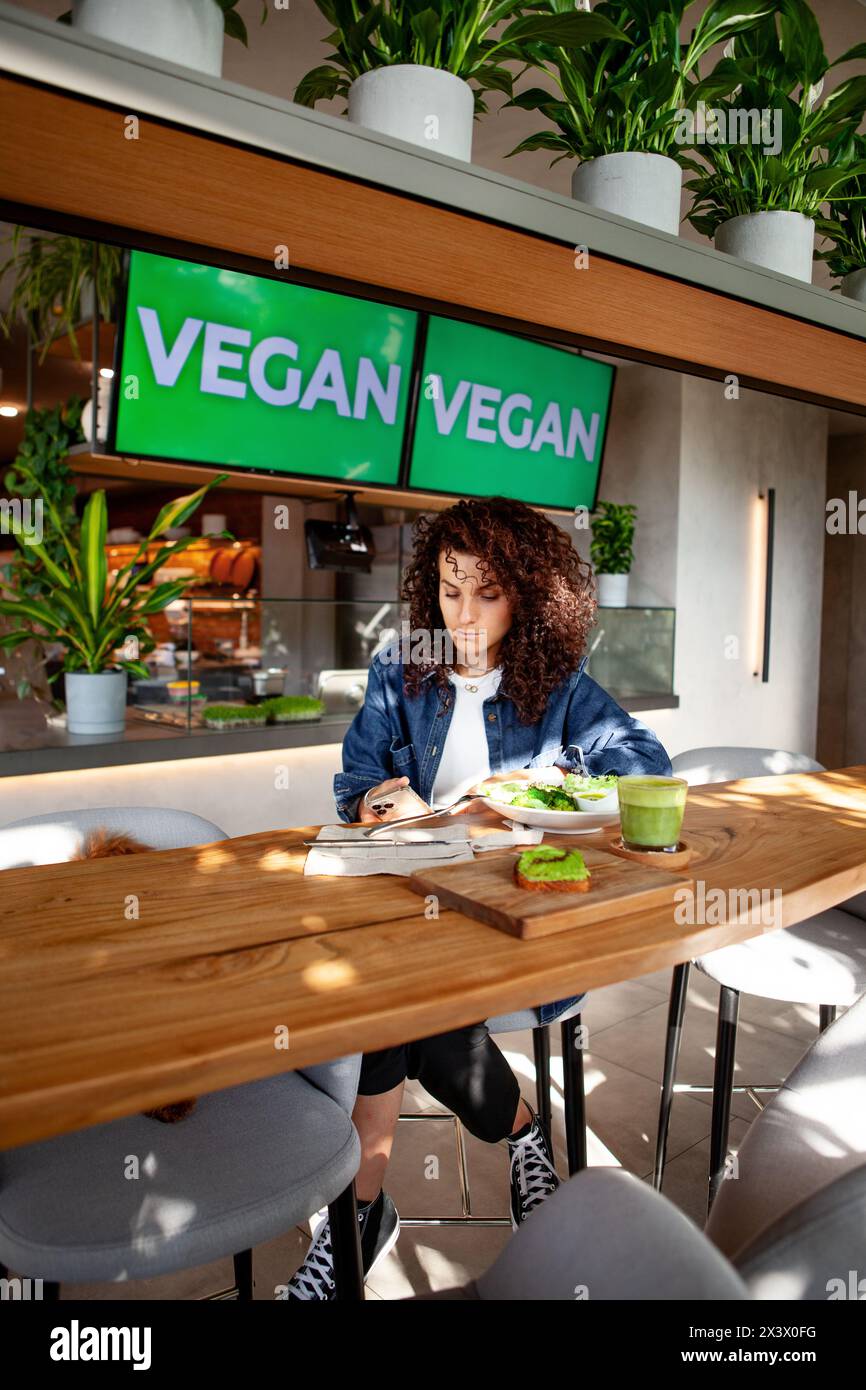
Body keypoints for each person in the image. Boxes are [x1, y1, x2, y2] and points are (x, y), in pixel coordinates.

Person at [286, 496, 672, 1299]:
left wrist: (543, 785)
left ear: (526, 594)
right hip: (414, 898)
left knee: (391, 1002)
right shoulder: (403, 668)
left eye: (486, 591)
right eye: (450, 587)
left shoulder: (558, 684)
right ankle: (521, 1133)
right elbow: (355, 781)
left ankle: (359, 1210)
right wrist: (374, 804)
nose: (462, 612)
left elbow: (646, 765)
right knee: (396, 989)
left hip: (508, 917)